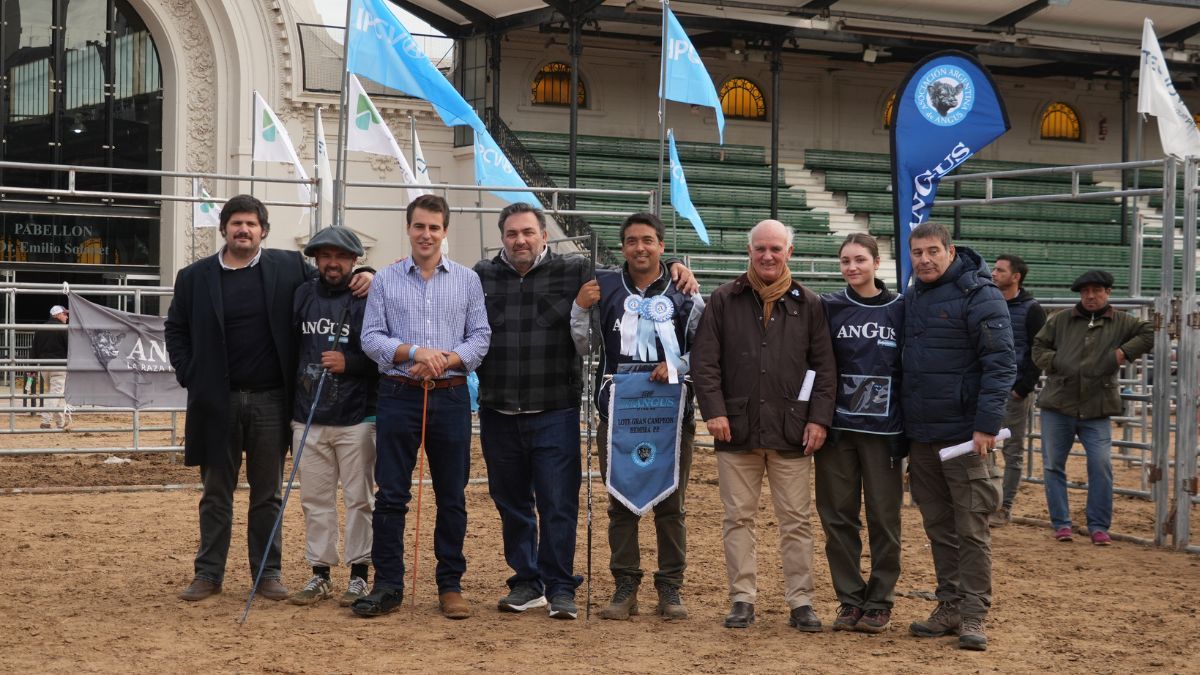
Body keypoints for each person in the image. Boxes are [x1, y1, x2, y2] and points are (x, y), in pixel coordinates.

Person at [473, 203, 696, 621]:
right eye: (512, 233)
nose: (520, 240)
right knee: (512, 502)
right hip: (499, 407)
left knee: (560, 502)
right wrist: (370, 273)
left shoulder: (577, 270)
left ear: (543, 234)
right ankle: (526, 582)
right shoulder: (480, 276)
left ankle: (561, 586)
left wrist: (676, 265)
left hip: (557, 408)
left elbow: (641, 265)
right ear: (502, 237)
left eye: (528, 232)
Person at [165, 194, 372, 602]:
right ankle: (208, 573)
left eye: (251, 224)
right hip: (216, 401)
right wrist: (190, 373)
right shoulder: (193, 277)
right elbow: (176, 330)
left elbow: (335, 274)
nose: (244, 230)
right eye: (236, 223)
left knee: (268, 494)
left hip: (271, 401)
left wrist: (370, 273)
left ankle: (267, 573)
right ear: (223, 228)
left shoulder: (289, 266)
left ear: (264, 231)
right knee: (215, 493)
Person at [692, 219, 835, 632]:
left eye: (775, 249)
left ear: (789, 252)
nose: (768, 256)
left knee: (796, 519)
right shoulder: (724, 299)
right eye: (760, 249)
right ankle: (742, 598)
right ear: (749, 251)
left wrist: (819, 419)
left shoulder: (810, 305)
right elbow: (705, 362)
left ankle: (801, 601)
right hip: (735, 429)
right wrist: (714, 411)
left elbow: (825, 369)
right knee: (737, 518)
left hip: (792, 431)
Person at [355, 194, 490, 620]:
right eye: (419, 226)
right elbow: (371, 337)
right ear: (408, 228)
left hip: (450, 395)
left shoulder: (467, 281)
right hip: (398, 396)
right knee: (391, 495)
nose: (426, 234)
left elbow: (480, 338)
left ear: (445, 231)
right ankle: (388, 584)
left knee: (452, 496)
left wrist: (445, 359)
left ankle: (450, 585)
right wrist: (415, 351)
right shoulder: (387, 280)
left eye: (434, 227)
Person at [573, 212, 704, 621]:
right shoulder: (606, 286)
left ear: (662, 246)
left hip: (671, 414)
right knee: (619, 503)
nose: (640, 248)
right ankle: (624, 585)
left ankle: (670, 588)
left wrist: (678, 365)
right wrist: (580, 309)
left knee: (672, 504)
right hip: (618, 412)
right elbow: (584, 344)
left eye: (648, 240)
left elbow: (706, 349)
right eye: (631, 241)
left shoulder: (686, 292)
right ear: (623, 246)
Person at [901, 222, 1014, 651]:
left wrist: (986, 423)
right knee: (938, 526)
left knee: (971, 527)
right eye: (917, 253)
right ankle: (948, 603)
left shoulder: (979, 295)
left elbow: (1001, 362)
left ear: (950, 251)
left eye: (932, 251)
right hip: (923, 435)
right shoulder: (914, 296)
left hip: (966, 438)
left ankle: (973, 614)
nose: (925, 259)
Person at [816, 233, 904, 633]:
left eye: (860, 260)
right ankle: (850, 599)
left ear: (876, 262)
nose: (852, 267)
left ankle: (880, 600)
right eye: (845, 261)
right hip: (837, 432)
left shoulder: (901, 308)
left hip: (884, 432)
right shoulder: (829, 307)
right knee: (838, 518)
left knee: (885, 520)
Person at [287, 227, 379, 607]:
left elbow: (384, 353)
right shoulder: (303, 294)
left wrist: (350, 362)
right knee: (315, 499)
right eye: (325, 255)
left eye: (340, 256)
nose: (332, 262)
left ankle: (359, 573)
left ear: (355, 260)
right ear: (315, 260)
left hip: (357, 417)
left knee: (360, 499)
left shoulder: (370, 295)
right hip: (308, 414)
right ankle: (319, 572)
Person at [1032, 269, 1153, 546]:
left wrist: (1123, 353)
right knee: (1052, 466)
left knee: (1101, 465)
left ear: (1108, 293)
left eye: (1096, 291)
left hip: (1097, 407)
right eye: (1085, 291)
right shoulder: (1061, 319)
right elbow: (1038, 347)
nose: (1090, 296)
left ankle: (1098, 525)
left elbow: (1149, 331)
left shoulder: (1122, 322)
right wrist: (1058, 362)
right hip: (1058, 404)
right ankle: (1061, 523)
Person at [988, 254, 1046, 527]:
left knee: (1012, 450)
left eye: (1000, 270)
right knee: (982, 447)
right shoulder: (988, 303)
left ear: (1016, 276)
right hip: (989, 388)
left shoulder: (1032, 309)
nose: (993, 273)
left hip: (1013, 391)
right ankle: (988, 502)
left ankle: (1004, 507)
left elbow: (1038, 350)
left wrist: (1022, 388)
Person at [31, 305, 70, 430]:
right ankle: (46, 421)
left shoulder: (41, 329)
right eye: (64, 314)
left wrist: (32, 368)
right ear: (58, 315)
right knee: (55, 394)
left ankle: (60, 423)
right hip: (59, 366)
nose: (66, 316)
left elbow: (34, 350)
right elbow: (70, 348)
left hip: (44, 367)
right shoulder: (64, 329)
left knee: (56, 394)